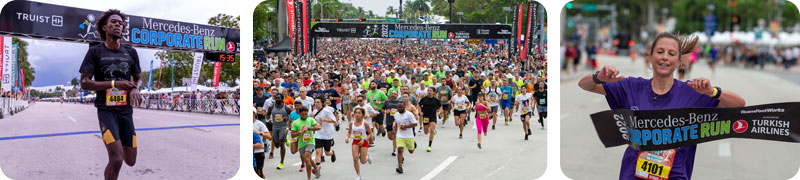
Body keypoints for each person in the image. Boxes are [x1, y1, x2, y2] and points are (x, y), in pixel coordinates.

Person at [577, 33, 745, 180]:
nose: (665, 57)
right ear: (650, 57)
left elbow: (739, 104)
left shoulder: (692, 92)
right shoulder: (631, 87)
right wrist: (598, 76)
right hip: (633, 174)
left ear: (679, 61)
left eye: (671, 54)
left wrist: (712, 91)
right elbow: (585, 85)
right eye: (660, 52)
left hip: (675, 174)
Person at [78, 9, 142, 180]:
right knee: (116, 159)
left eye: (120, 23)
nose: (117, 25)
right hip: (106, 111)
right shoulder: (95, 52)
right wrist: (114, 84)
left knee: (130, 160)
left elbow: (139, 78)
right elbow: (84, 82)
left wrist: (136, 87)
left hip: (126, 112)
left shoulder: (131, 52)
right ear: (104, 27)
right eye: (113, 22)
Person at [291, 106, 323, 180]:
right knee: (308, 159)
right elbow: (292, 134)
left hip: (310, 142)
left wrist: (309, 128)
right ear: (299, 114)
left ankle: (308, 178)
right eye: (303, 114)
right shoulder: (296, 122)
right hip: (301, 143)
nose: (305, 116)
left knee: (306, 158)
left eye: (306, 114)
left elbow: (318, 127)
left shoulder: (310, 120)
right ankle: (316, 168)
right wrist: (300, 132)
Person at [264, 93, 292, 170]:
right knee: (276, 145)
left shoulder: (286, 107)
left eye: (279, 98)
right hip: (275, 126)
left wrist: (287, 119)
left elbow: (292, 115)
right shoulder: (271, 107)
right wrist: (269, 120)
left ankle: (281, 162)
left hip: (283, 126)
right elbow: (267, 115)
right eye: (276, 98)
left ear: (282, 99)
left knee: (281, 144)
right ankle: (285, 138)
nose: (277, 99)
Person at [345, 108, 373, 180]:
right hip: (355, 142)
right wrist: (347, 138)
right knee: (355, 158)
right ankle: (358, 175)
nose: (357, 114)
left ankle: (367, 155)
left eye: (359, 113)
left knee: (363, 161)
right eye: (356, 113)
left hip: (363, 141)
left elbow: (370, 134)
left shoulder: (365, 123)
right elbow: (349, 132)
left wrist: (364, 140)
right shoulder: (352, 123)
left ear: (362, 115)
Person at [393, 102, 417, 174]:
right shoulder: (396, 115)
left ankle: (414, 144)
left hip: (409, 136)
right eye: (398, 107)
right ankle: (400, 167)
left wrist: (405, 126)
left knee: (411, 151)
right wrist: (395, 131)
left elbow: (415, 124)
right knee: (400, 149)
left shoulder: (409, 114)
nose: (399, 109)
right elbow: (397, 123)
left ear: (404, 107)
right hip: (400, 135)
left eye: (401, 107)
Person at [313, 97, 338, 165]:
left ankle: (332, 153)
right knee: (318, 151)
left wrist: (324, 119)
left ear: (322, 103)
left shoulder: (327, 111)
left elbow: (334, 120)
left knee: (327, 153)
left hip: (327, 134)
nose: (316, 104)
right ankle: (317, 168)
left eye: (318, 102)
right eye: (315, 102)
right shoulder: (314, 112)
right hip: (318, 134)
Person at [418, 87, 441, 152]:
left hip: (433, 117)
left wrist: (439, 112)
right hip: (426, 117)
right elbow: (419, 105)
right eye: (428, 90)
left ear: (433, 92)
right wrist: (420, 112)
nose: (429, 92)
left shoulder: (436, 100)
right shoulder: (424, 99)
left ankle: (429, 146)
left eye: (430, 90)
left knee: (431, 130)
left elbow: (440, 106)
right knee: (425, 132)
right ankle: (432, 130)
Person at [253, 109, 272, 178]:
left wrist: (259, 133)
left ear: (254, 114)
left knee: (259, 173)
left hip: (258, 151)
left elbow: (269, 137)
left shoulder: (259, 124)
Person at [384, 90, 403, 156]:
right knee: (390, 136)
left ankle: (394, 150)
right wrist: (386, 111)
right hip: (389, 120)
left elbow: (403, 111)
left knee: (395, 135)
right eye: (392, 93)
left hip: (397, 121)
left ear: (397, 95)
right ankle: (399, 140)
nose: (393, 95)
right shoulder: (387, 102)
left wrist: (399, 111)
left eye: (395, 94)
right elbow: (382, 109)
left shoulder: (400, 102)